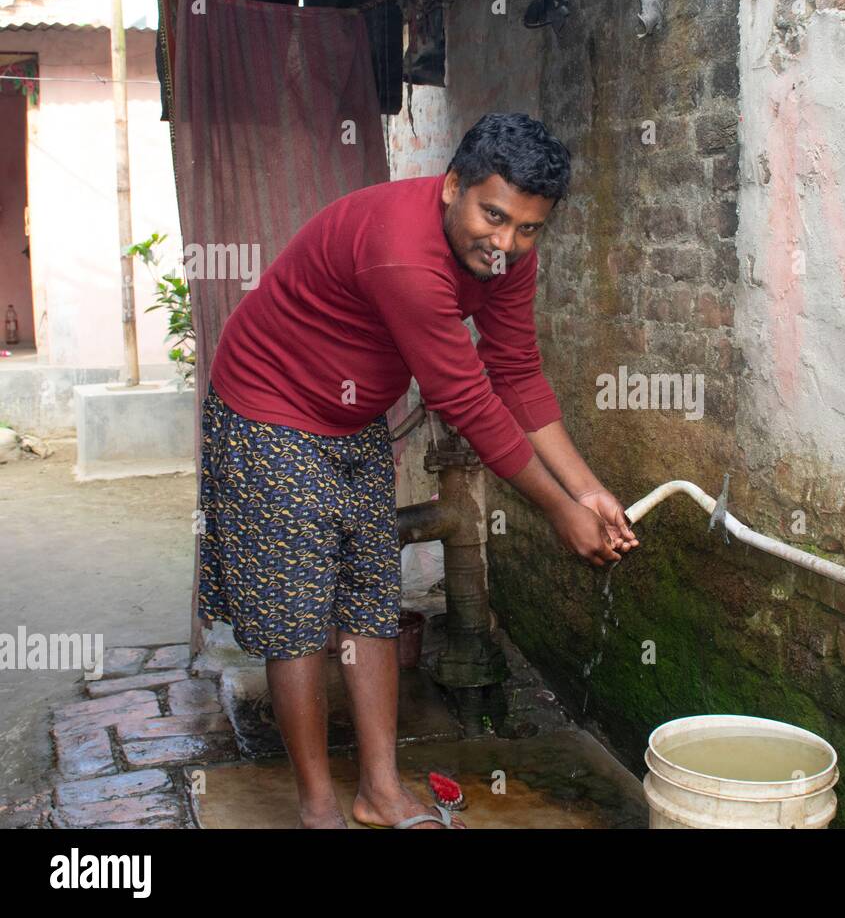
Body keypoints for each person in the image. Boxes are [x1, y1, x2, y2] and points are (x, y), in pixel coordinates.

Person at [198, 112, 639, 829]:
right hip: (267, 409)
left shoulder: (506, 258)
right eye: (492, 216)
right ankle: (316, 804)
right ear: (452, 186)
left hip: (352, 417)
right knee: (298, 617)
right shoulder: (403, 251)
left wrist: (586, 487)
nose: (504, 244)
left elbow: (517, 373)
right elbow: (465, 397)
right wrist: (558, 511)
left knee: (369, 599)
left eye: (528, 228)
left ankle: (380, 790)